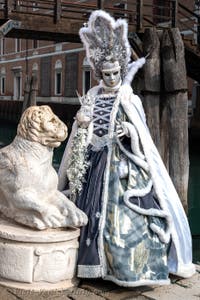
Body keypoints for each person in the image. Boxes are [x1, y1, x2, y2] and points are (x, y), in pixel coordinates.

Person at [58, 10, 195, 287]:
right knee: (88, 213)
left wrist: (129, 130)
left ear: (121, 70)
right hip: (93, 161)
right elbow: (81, 131)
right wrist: (81, 123)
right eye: (105, 74)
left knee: (122, 218)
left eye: (114, 73)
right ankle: (92, 268)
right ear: (99, 73)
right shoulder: (93, 95)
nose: (110, 78)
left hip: (122, 161)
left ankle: (125, 271)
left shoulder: (128, 98)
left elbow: (142, 132)